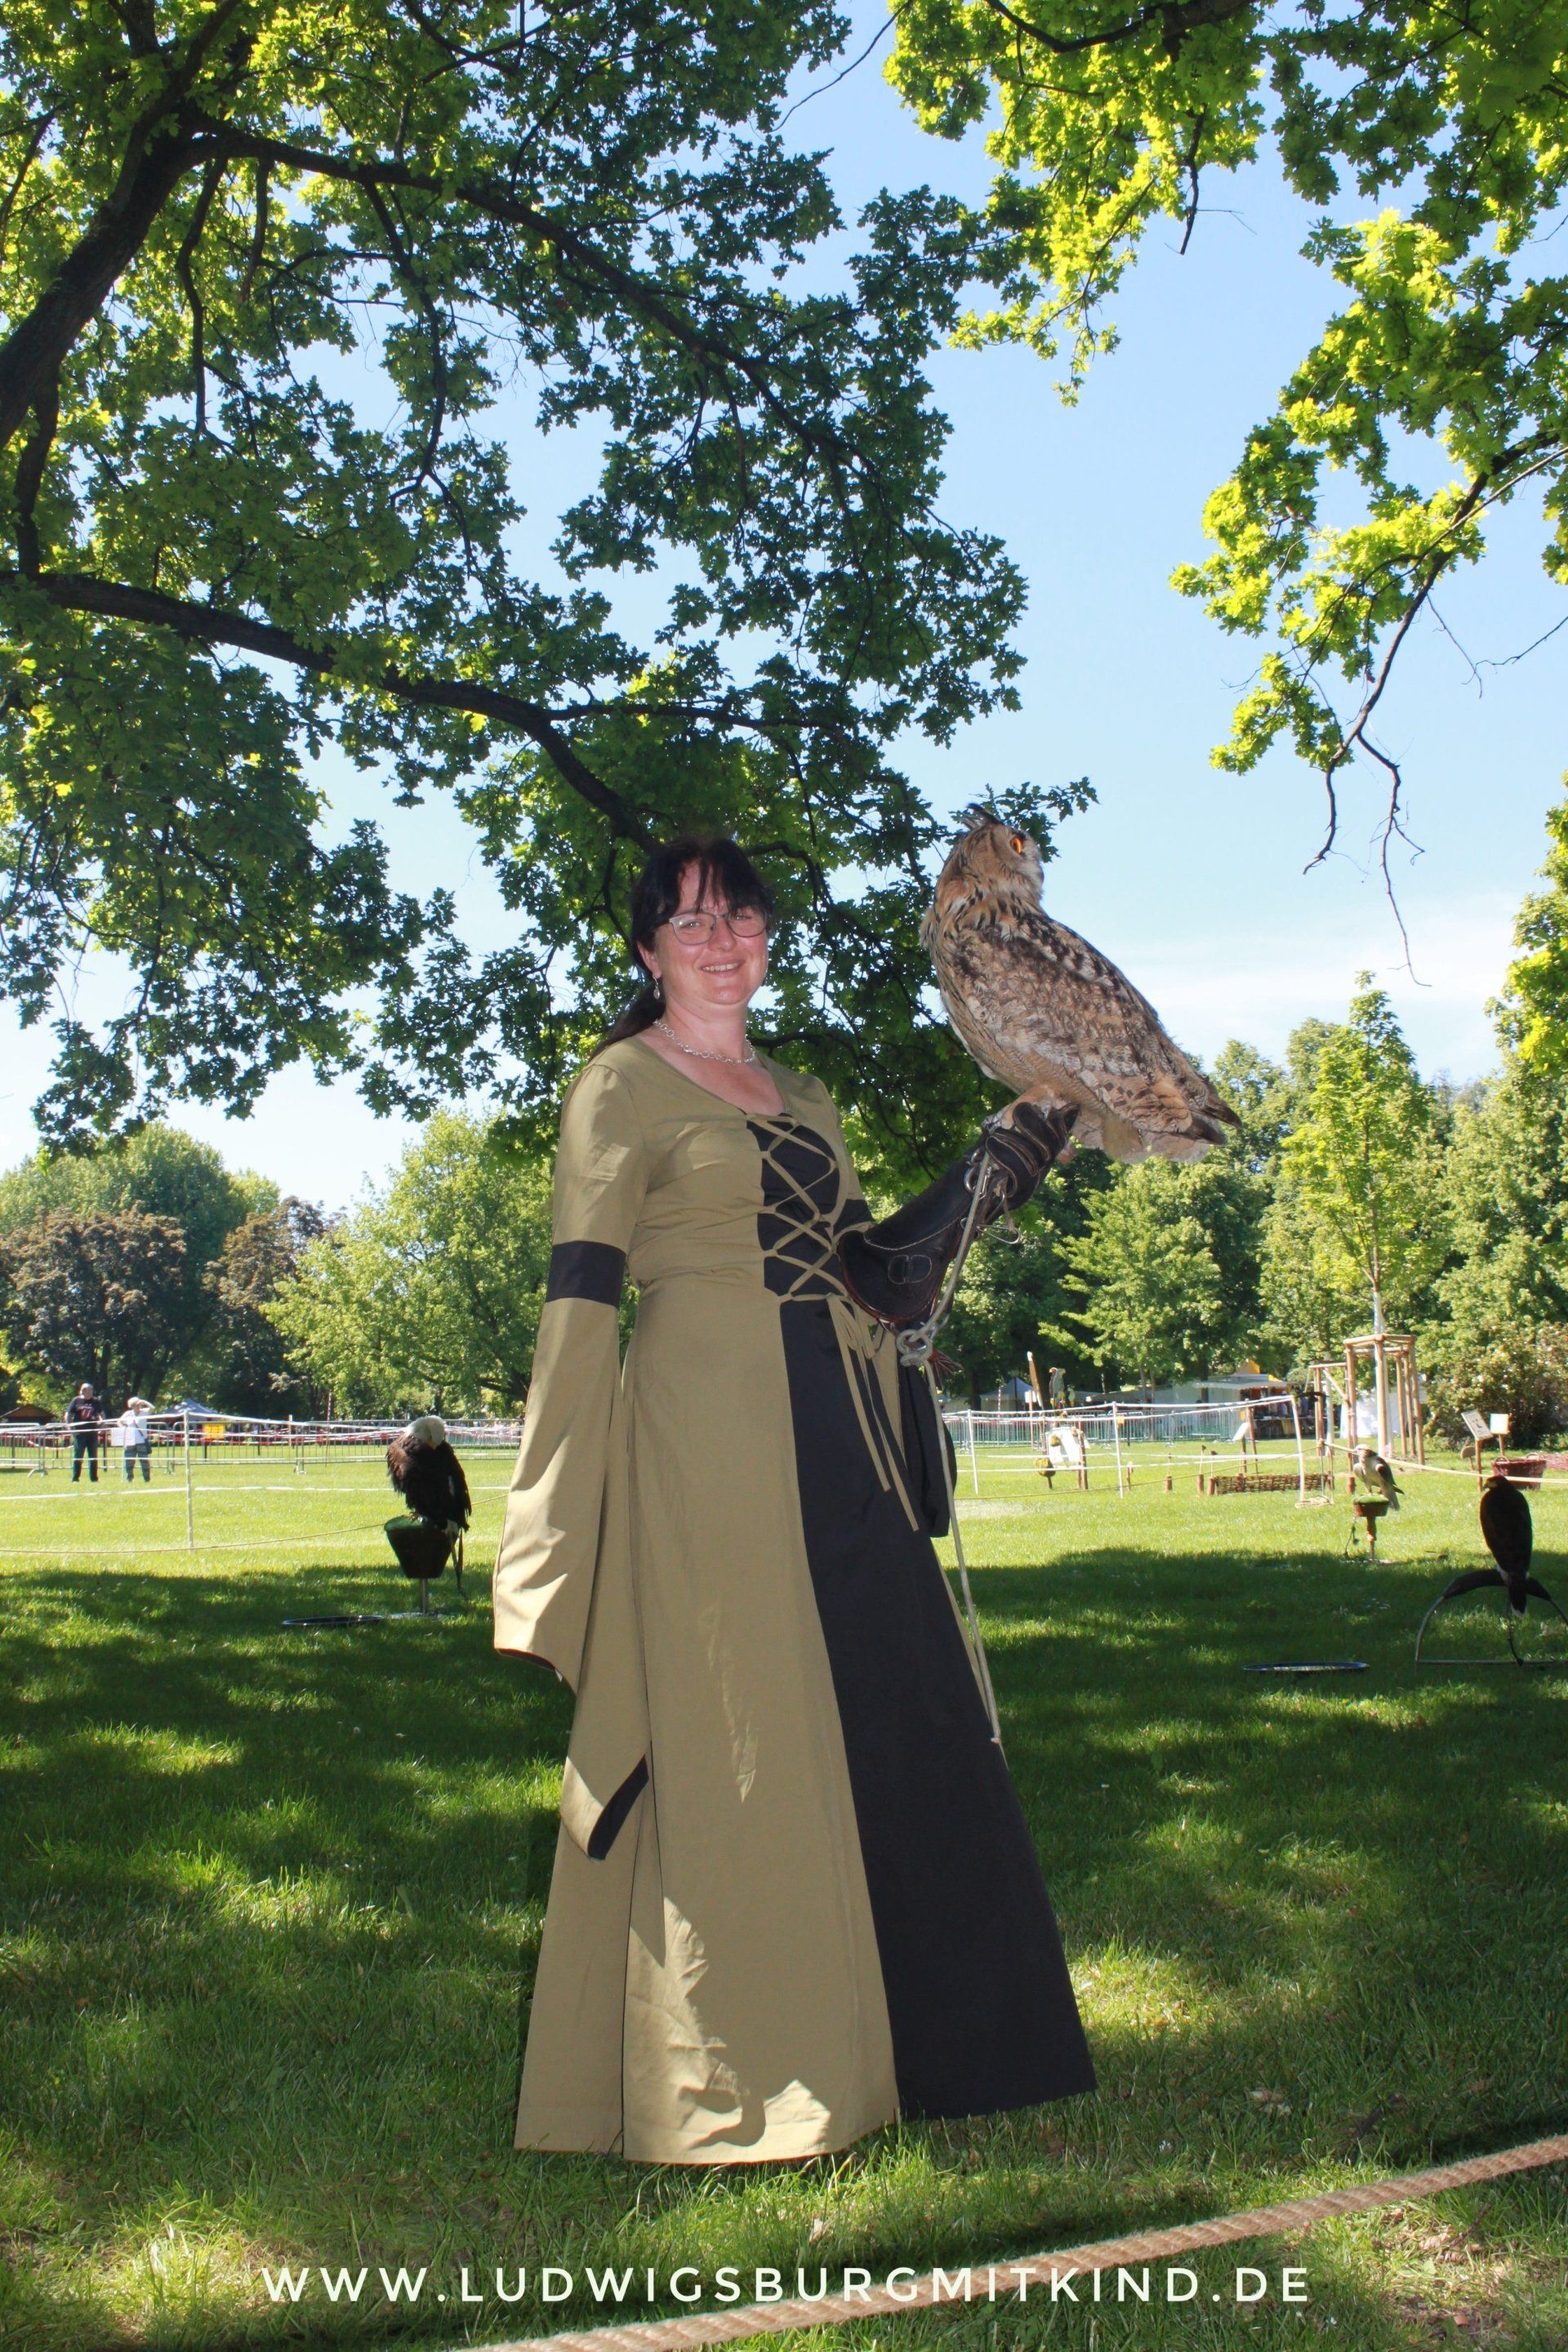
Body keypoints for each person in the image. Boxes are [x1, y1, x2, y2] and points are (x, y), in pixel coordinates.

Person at [494, 835, 1094, 2165]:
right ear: (648, 950)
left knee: (897, 1710)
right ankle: (744, 2081)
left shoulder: (810, 1100)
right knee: (739, 1742)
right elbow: (581, 1295)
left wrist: (986, 1175)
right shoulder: (617, 1089)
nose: (723, 939)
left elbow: (871, 1274)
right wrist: (545, 1530)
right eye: (691, 923)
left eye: (743, 917)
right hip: (705, 1428)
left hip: (843, 1415)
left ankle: (925, 2056)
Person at [65, 1383, 103, 1484]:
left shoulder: (95, 1401)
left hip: (92, 1433)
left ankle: (94, 1479)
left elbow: (101, 1414)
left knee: (93, 1456)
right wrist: (71, 1428)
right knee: (79, 1455)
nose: (91, 1391)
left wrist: (102, 1425)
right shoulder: (76, 1400)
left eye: (92, 1389)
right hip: (80, 1433)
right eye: (89, 1390)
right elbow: (68, 1414)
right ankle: (75, 1478)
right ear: (84, 1390)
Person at [118, 1396, 153, 1483]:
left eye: (139, 1404)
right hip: (130, 1441)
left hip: (142, 1441)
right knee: (129, 1461)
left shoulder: (144, 1412)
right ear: (132, 1406)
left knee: (144, 1461)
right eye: (136, 1404)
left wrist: (145, 1402)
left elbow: (153, 1408)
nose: (138, 1406)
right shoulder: (128, 1414)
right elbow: (119, 1421)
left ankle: (147, 1479)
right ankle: (129, 1478)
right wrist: (123, 1427)